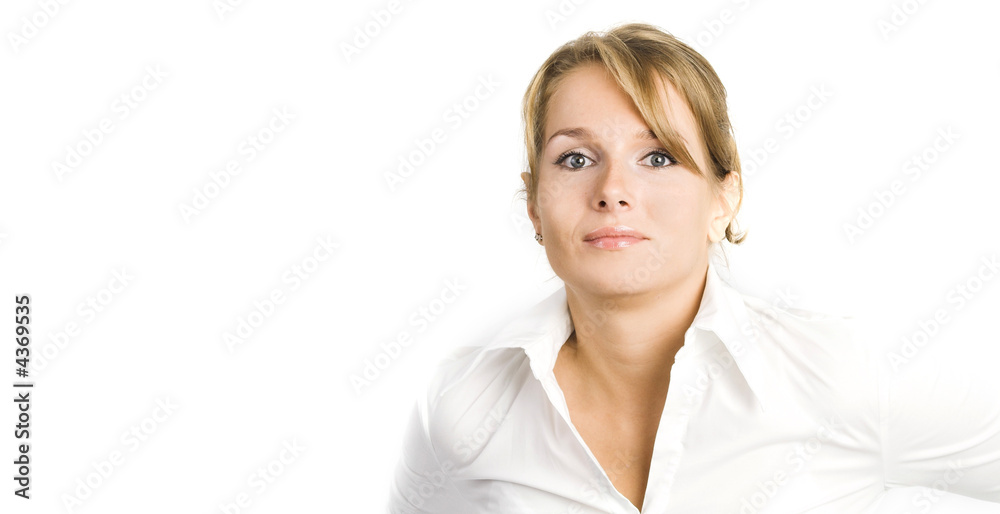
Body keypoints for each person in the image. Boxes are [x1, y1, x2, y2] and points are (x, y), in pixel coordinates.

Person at [386, 22, 1000, 513]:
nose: (613, 190)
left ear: (722, 199)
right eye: (575, 159)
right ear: (533, 204)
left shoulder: (838, 377)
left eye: (657, 157)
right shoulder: (461, 407)